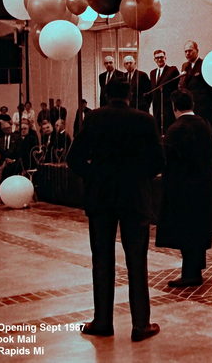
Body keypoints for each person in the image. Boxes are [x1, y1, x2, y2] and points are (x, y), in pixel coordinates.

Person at [66, 79, 163, 342]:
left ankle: (102, 321)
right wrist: (139, 177)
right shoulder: (145, 120)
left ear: (106, 95)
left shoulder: (94, 119)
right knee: (137, 262)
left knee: (102, 260)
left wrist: (94, 175)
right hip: (135, 198)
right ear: (130, 95)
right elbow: (158, 161)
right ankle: (140, 324)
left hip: (101, 198)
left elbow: (73, 158)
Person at [156, 90, 212, 288]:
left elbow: (167, 160)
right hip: (204, 186)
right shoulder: (204, 124)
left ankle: (190, 273)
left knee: (185, 231)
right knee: (198, 228)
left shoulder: (176, 129)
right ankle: (197, 268)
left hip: (182, 188)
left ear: (174, 107)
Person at [178, 40, 212, 135]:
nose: (188, 53)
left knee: (205, 134)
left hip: (203, 107)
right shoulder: (185, 66)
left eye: (190, 50)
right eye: (186, 51)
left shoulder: (204, 64)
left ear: (197, 50)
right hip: (189, 108)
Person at [149, 49, 179, 135]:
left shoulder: (172, 70)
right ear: (154, 59)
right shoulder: (152, 73)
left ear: (165, 58)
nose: (159, 59)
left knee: (168, 128)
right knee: (157, 128)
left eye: (161, 57)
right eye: (157, 58)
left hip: (168, 105)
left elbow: (176, 87)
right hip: (156, 106)